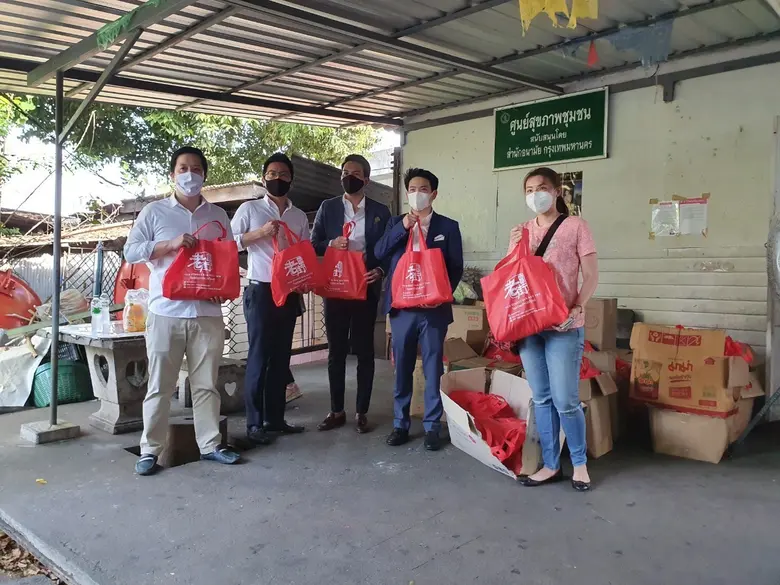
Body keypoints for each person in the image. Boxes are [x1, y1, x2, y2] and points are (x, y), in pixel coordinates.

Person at [125, 146, 240, 476]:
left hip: (207, 313)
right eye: (183, 168)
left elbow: (227, 259)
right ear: (172, 174)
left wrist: (223, 290)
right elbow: (131, 251)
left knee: (206, 385)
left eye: (196, 168)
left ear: (204, 175)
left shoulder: (217, 216)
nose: (190, 174)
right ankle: (150, 450)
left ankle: (211, 445)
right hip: (166, 311)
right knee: (160, 385)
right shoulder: (155, 213)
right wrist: (169, 244)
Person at [508, 166, 598, 492]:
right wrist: (514, 248)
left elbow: (591, 275)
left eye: (542, 188)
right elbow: (512, 277)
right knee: (542, 398)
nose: (536, 195)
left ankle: (579, 464)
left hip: (564, 325)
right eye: (529, 190)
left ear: (557, 191)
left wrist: (578, 306)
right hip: (529, 326)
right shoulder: (521, 230)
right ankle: (550, 465)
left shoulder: (576, 226)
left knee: (565, 400)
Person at [374, 168, 463, 451]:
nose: (417, 194)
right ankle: (400, 423)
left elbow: (456, 267)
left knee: (433, 367)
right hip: (402, 309)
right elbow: (379, 252)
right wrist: (403, 227)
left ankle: (432, 426)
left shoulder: (448, 227)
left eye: (423, 189)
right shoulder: (395, 223)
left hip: (433, 310)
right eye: (412, 189)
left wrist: (439, 293)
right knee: (402, 365)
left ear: (433, 194)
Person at [231, 152, 308, 445]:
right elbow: (229, 243)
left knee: (281, 357)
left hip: (288, 291)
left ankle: (275, 420)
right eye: (272, 174)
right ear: (264, 178)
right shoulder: (249, 209)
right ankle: (254, 423)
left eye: (284, 175)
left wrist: (303, 281)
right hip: (261, 289)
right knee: (259, 356)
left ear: (292, 180)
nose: (278, 179)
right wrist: (260, 233)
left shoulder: (298, 216)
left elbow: (302, 252)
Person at [311, 154, 391, 434]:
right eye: (345, 172)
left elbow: (388, 249)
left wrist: (380, 270)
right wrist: (331, 243)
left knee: (365, 351)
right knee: (336, 351)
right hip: (335, 287)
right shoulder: (329, 207)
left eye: (355, 173)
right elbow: (314, 242)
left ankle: (361, 411)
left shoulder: (380, 211)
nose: (348, 176)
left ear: (366, 179)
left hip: (365, 286)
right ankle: (336, 410)